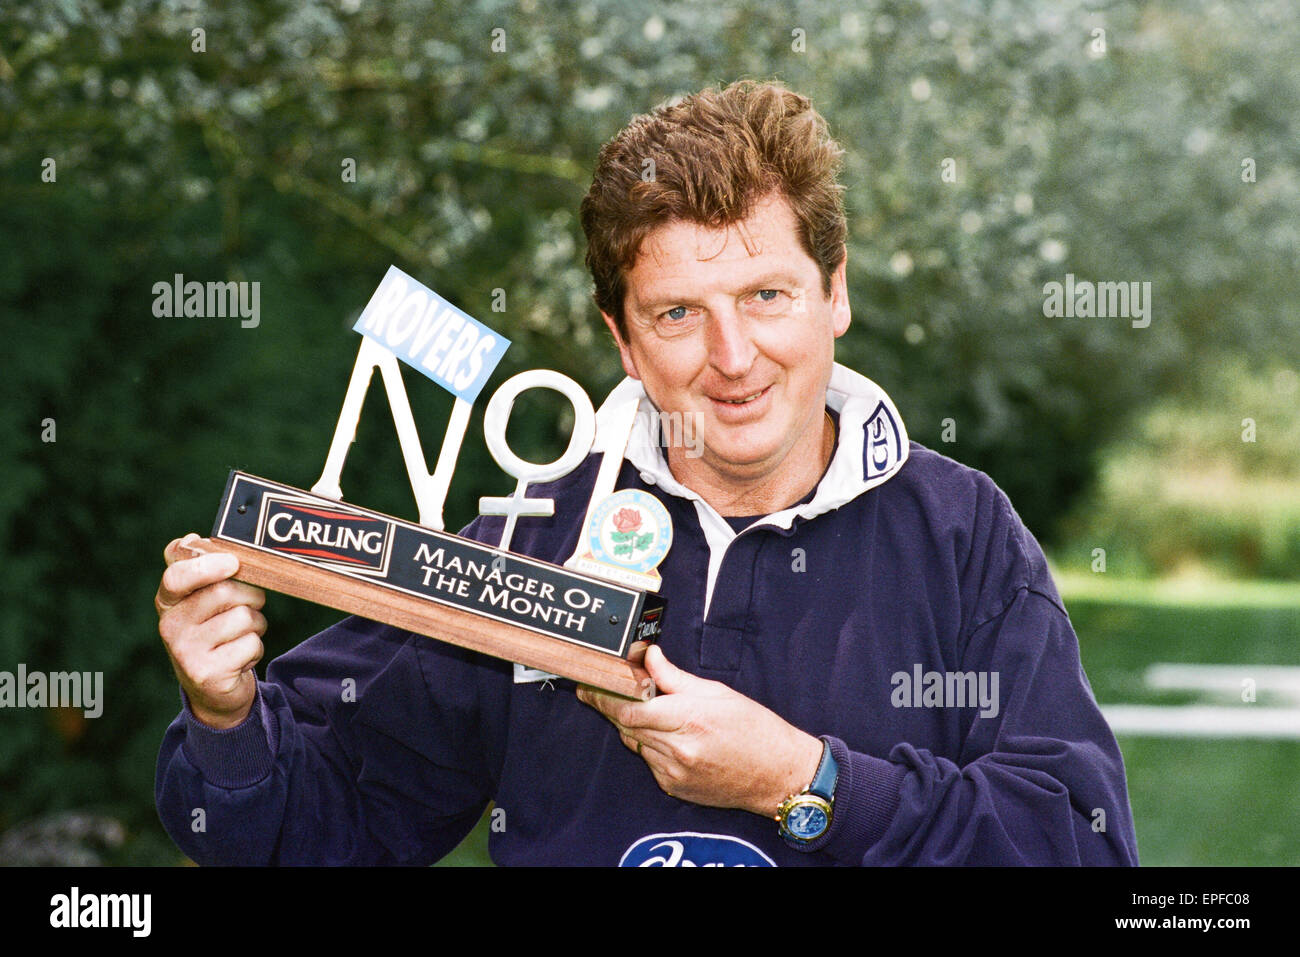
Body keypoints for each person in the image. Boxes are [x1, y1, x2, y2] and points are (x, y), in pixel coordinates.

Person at [154, 80, 1139, 866]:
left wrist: (803, 781)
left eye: (765, 295)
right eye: (677, 314)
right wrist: (225, 715)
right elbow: (300, 833)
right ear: (622, 340)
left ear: (834, 293)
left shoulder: (958, 535)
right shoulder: (528, 534)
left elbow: (1077, 845)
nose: (734, 354)